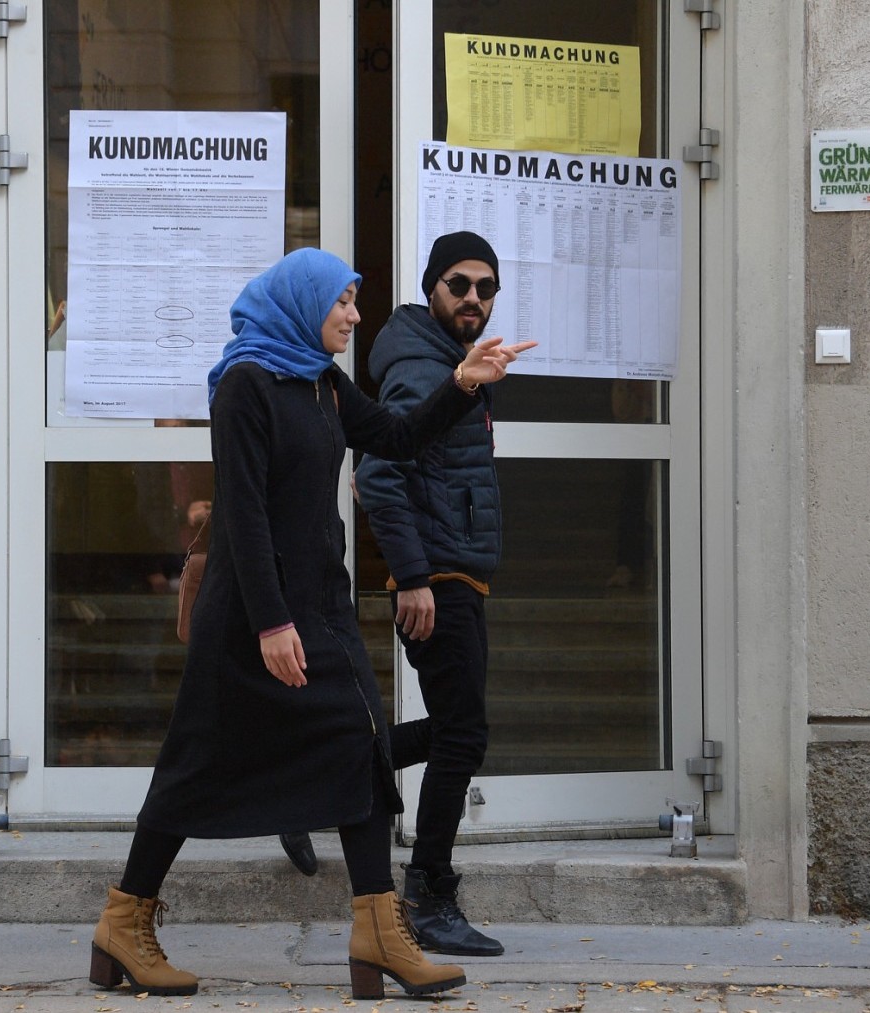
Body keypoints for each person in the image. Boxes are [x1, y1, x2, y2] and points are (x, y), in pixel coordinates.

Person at [88, 248, 534, 1001]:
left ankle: (379, 932)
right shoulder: (245, 385)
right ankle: (123, 923)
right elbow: (245, 515)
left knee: (360, 751)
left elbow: (392, 436)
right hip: (253, 613)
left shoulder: (322, 382)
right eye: (345, 303)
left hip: (321, 604)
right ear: (305, 302)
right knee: (193, 765)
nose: (355, 317)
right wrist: (269, 623)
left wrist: (462, 384)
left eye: (357, 302)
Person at [357, 231, 513, 956]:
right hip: (438, 577)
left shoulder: (450, 361)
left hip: (454, 567)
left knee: (458, 725)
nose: (473, 298)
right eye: (460, 284)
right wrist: (413, 576)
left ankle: (329, 767)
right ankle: (428, 893)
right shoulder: (422, 368)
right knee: (462, 733)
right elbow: (380, 474)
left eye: (486, 287)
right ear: (432, 288)